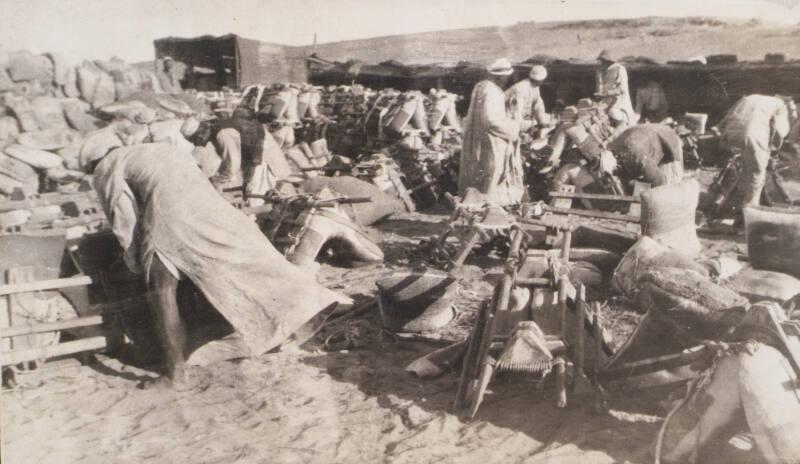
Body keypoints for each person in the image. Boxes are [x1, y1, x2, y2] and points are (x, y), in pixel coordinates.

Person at [87, 143, 350, 390]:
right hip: (213, 209)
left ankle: (176, 374)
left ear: (93, 162)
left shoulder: (107, 165)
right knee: (250, 266)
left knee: (159, 289)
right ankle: (301, 312)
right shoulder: (161, 147)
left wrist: (134, 262)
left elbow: (123, 218)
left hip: (173, 217)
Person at [458, 58, 530, 205]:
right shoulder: (491, 91)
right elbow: (491, 120)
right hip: (490, 142)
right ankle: (487, 208)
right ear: (501, 76)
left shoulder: (481, 87)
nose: (506, 80)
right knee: (492, 174)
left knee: (480, 175)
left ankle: (479, 206)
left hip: (479, 140)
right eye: (506, 77)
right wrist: (514, 127)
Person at [717, 94, 796, 217]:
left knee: (743, 173)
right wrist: (773, 150)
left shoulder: (749, 97)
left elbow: (725, 120)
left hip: (731, 134)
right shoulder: (781, 105)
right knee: (756, 177)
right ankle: (749, 216)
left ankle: (726, 208)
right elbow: (780, 131)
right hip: (753, 135)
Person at [182, 115, 291, 203]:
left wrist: (216, 181)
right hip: (258, 156)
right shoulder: (218, 128)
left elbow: (233, 164)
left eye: (196, 139)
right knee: (252, 193)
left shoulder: (222, 135)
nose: (198, 143)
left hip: (263, 158)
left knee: (255, 199)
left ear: (201, 132)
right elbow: (228, 161)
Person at [607, 124, 684, 188]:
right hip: (652, 133)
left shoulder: (636, 157)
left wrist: (630, 184)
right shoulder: (612, 147)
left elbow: (659, 181)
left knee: (670, 182)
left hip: (668, 140)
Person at [595, 50, 635, 128]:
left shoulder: (619, 69)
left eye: (603, 61)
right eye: (601, 61)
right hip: (606, 102)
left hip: (618, 102)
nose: (602, 63)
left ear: (608, 61)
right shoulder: (601, 71)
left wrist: (608, 93)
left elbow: (622, 89)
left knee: (615, 115)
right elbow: (601, 86)